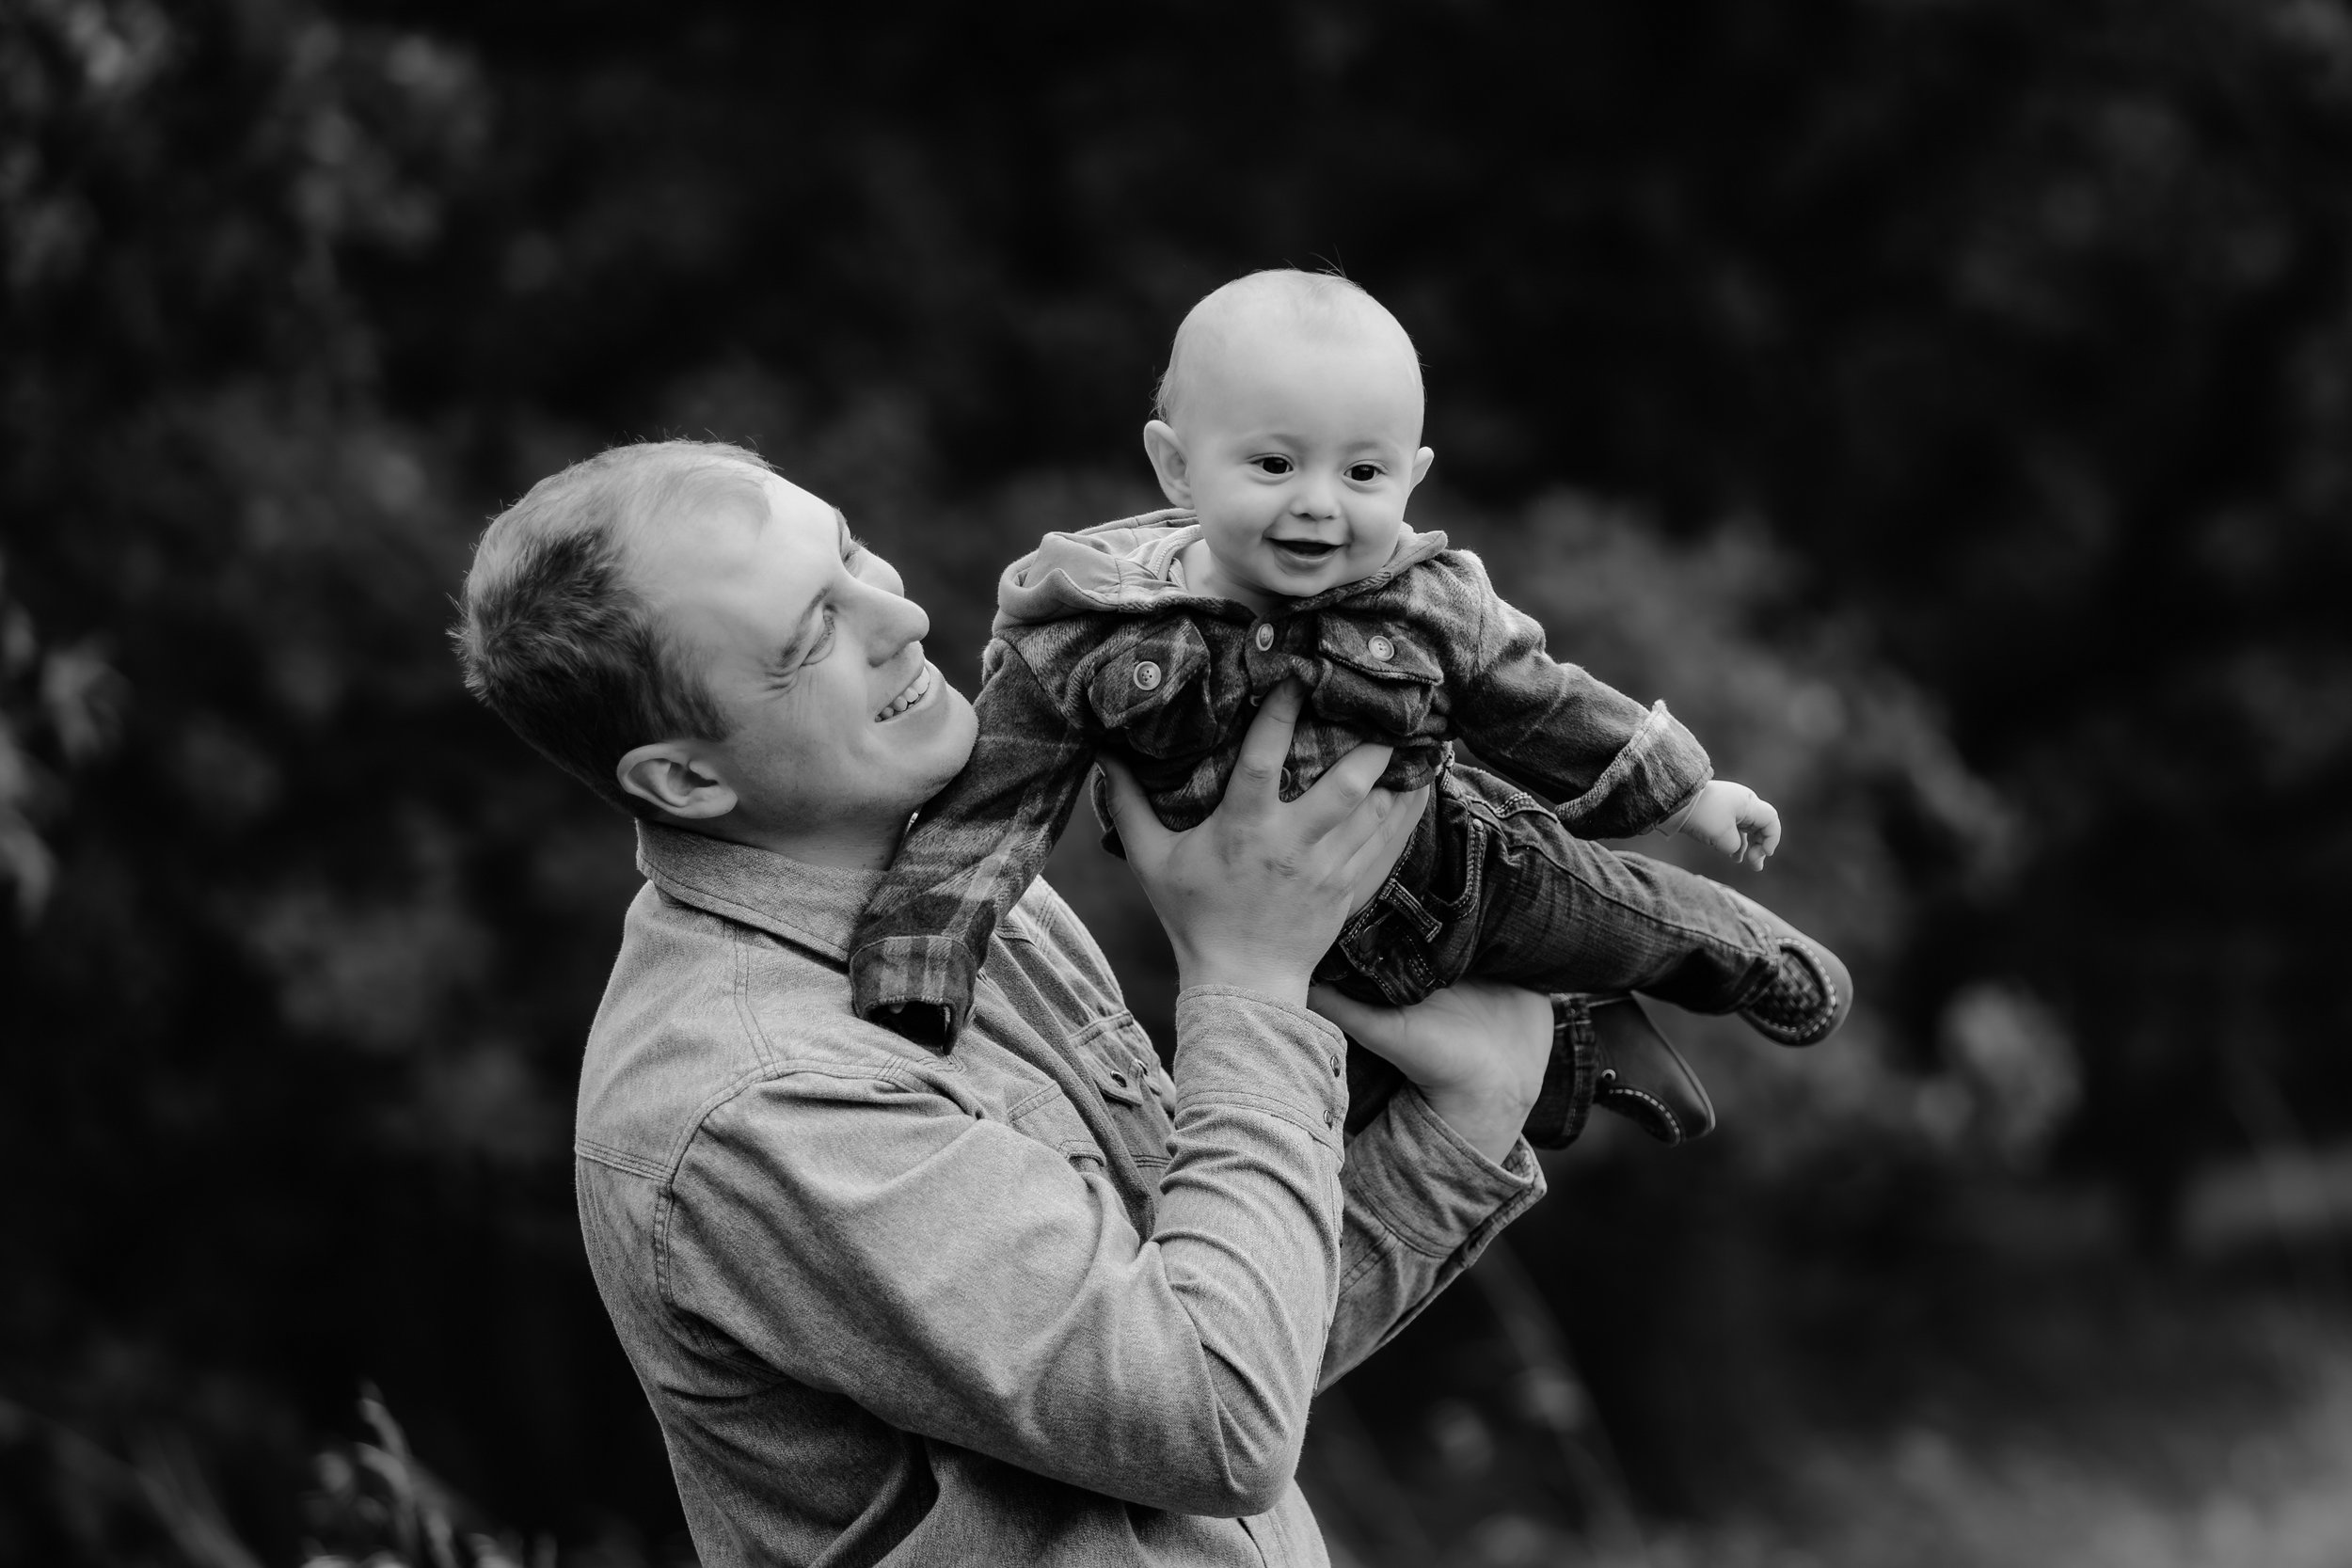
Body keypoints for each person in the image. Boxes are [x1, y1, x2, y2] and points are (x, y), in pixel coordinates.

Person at [452, 438, 1573, 1566]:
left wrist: (1455, 1125)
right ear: (687, 777)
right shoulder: (764, 1096)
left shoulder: (950, 892)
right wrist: (1249, 982)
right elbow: (1213, 1417)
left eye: (849, 553)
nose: (898, 620)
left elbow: (1226, 1343)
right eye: (809, 636)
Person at [849, 272, 1851, 1123]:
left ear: (1411, 478)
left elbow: (1545, 706)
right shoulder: (1088, 624)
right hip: (1298, 958)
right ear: (1175, 465)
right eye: (1275, 463)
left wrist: (1691, 794)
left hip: (1466, 868)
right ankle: (1564, 1056)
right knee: (1336, 1143)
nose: (1320, 501)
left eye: (1363, 471)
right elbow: (993, 802)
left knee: (1627, 920)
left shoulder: (1427, 601)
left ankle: (1750, 955)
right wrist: (915, 968)